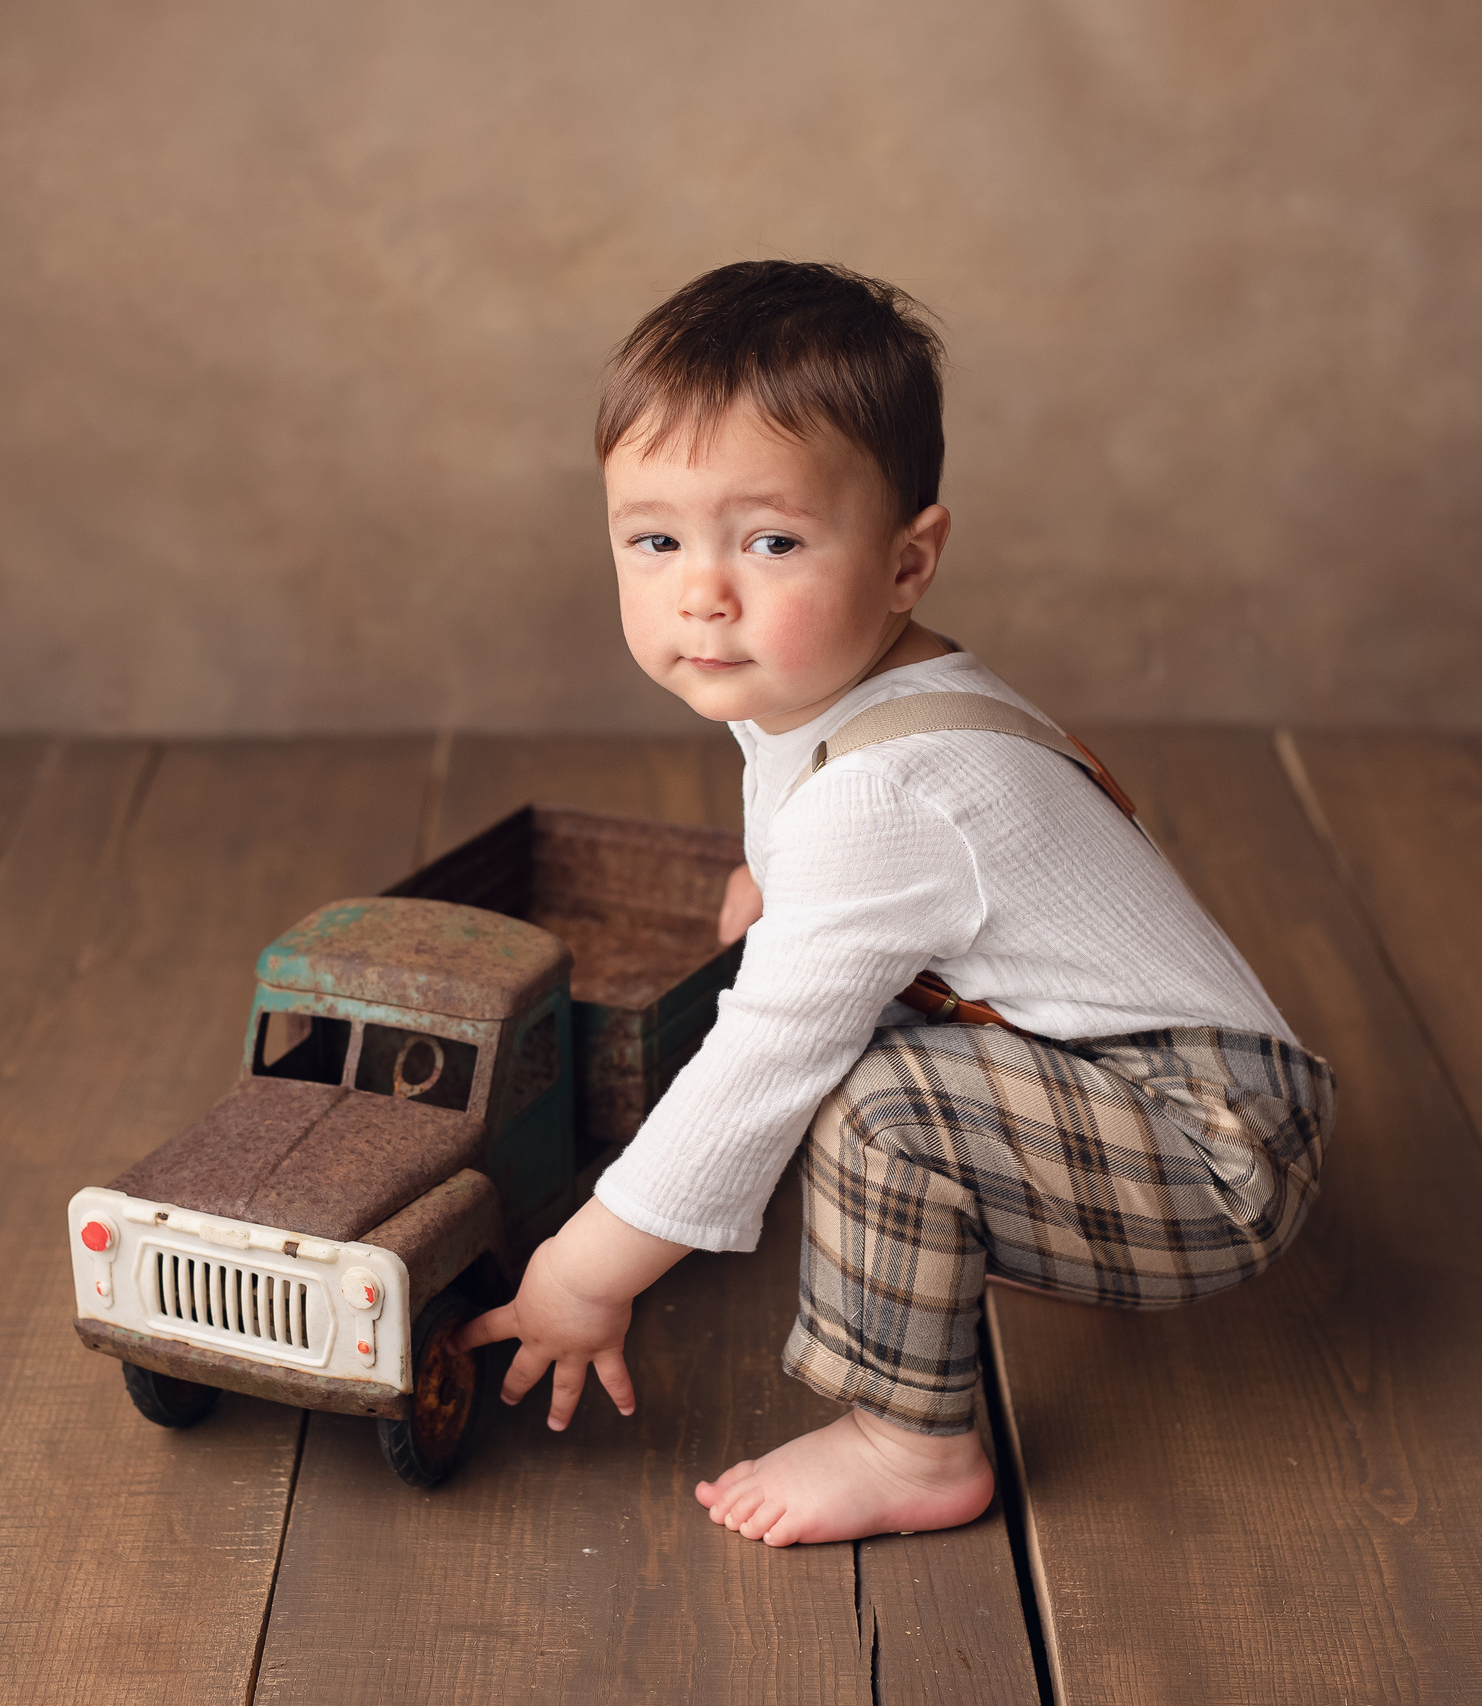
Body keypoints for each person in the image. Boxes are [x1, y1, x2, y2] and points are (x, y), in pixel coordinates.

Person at [453, 260, 1334, 1547]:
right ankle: (970, 1227)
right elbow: (847, 851)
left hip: (1211, 1154)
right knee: (808, 983)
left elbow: (760, 1064)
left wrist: (584, 1271)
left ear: (908, 559)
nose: (703, 592)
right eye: (654, 540)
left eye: (772, 542)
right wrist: (783, 886)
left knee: (874, 1103)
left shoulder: (894, 796)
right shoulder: (844, 687)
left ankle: (909, 1442)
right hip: (1159, 1080)